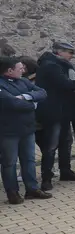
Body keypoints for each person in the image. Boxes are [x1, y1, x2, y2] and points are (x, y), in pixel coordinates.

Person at [35, 42, 75, 190]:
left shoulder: (57, 65)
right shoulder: (51, 66)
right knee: (51, 146)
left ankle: (65, 171)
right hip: (53, 113)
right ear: (60, 52)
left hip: (63, 111)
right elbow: (65, 84)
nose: (72, 56)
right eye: (70, 53)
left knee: (66, 143)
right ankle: (47, 178)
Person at [0, 57, 51, 204]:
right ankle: (12, 192)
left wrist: (25, 96)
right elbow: (11, 103)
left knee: (29, 160)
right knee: (9, 163)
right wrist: (33, 105)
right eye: (19, 68)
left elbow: (42, 92)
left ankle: (32, 188)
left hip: (27, 129)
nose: (23, 70)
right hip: (8, 131)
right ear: (9, 71)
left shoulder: (23, 81)